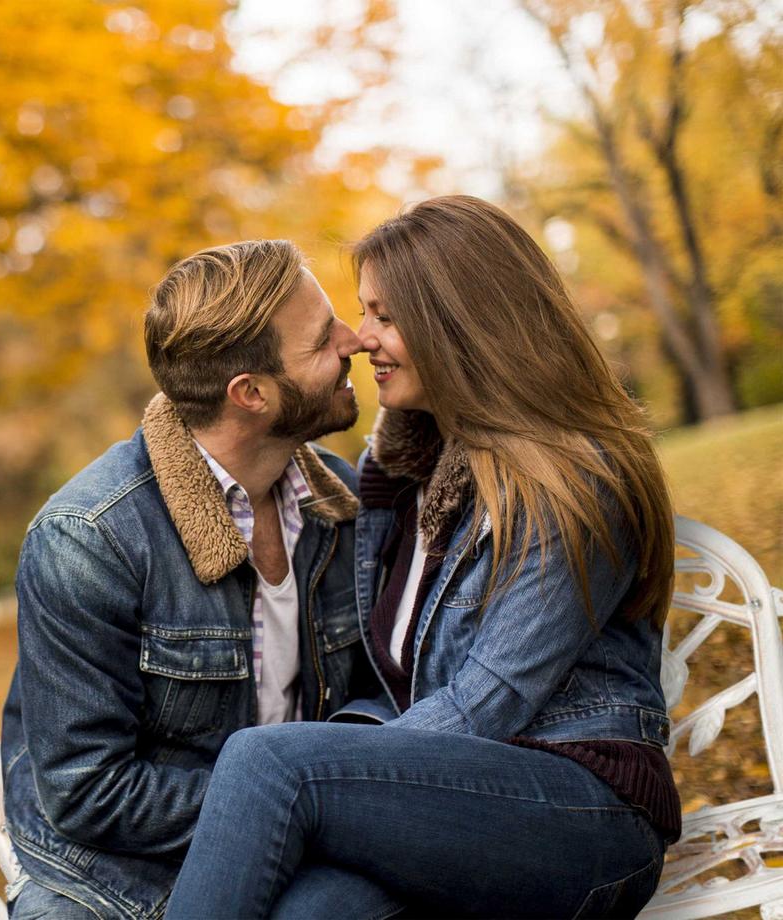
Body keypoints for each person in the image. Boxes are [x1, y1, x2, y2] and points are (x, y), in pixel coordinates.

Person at [165, 196, 682, 920]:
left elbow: (486, 703)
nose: (360, 338)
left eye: (385, 315)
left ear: (458, 322)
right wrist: (348, 768)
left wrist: (333, 775)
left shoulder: (571, 481)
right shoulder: (408, 471)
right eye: (363, 312)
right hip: (448, 808)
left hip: (583, 814)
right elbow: (398, 683)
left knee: (266, 761)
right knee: (310, 911)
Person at [1, 239, 371, 919]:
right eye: (324, 339)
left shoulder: (341, 507)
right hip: (121, 869)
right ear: (251, 394)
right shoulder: (89, 539)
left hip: (302, 842)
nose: (355, 340)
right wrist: (295, 802)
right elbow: (87, 791)